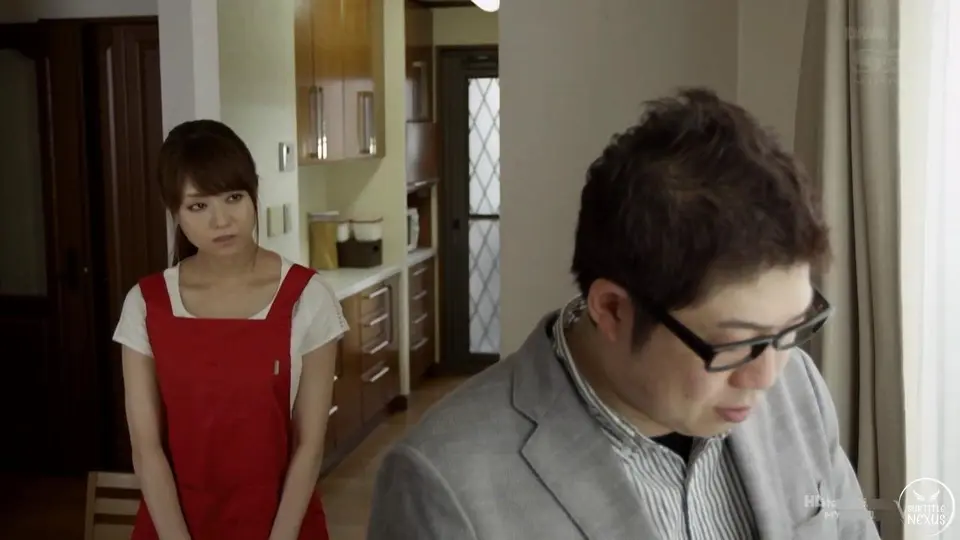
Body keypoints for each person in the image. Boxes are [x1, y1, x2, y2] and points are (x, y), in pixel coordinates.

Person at [366, 89, 879, 540]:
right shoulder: (444, 483)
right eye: (736, 343)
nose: (766, 378)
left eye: (792, 328)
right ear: (612, 310)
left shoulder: (799, 389)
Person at [113, 119, 347, 540]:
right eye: (198, 206)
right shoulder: (145, 304)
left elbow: (309, 446)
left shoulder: (307, 298)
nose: (221, 220)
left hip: (283, 526)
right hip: (172, 527)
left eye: (233, 198)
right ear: (175, 213)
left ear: (254, 194)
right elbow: (147, 449)